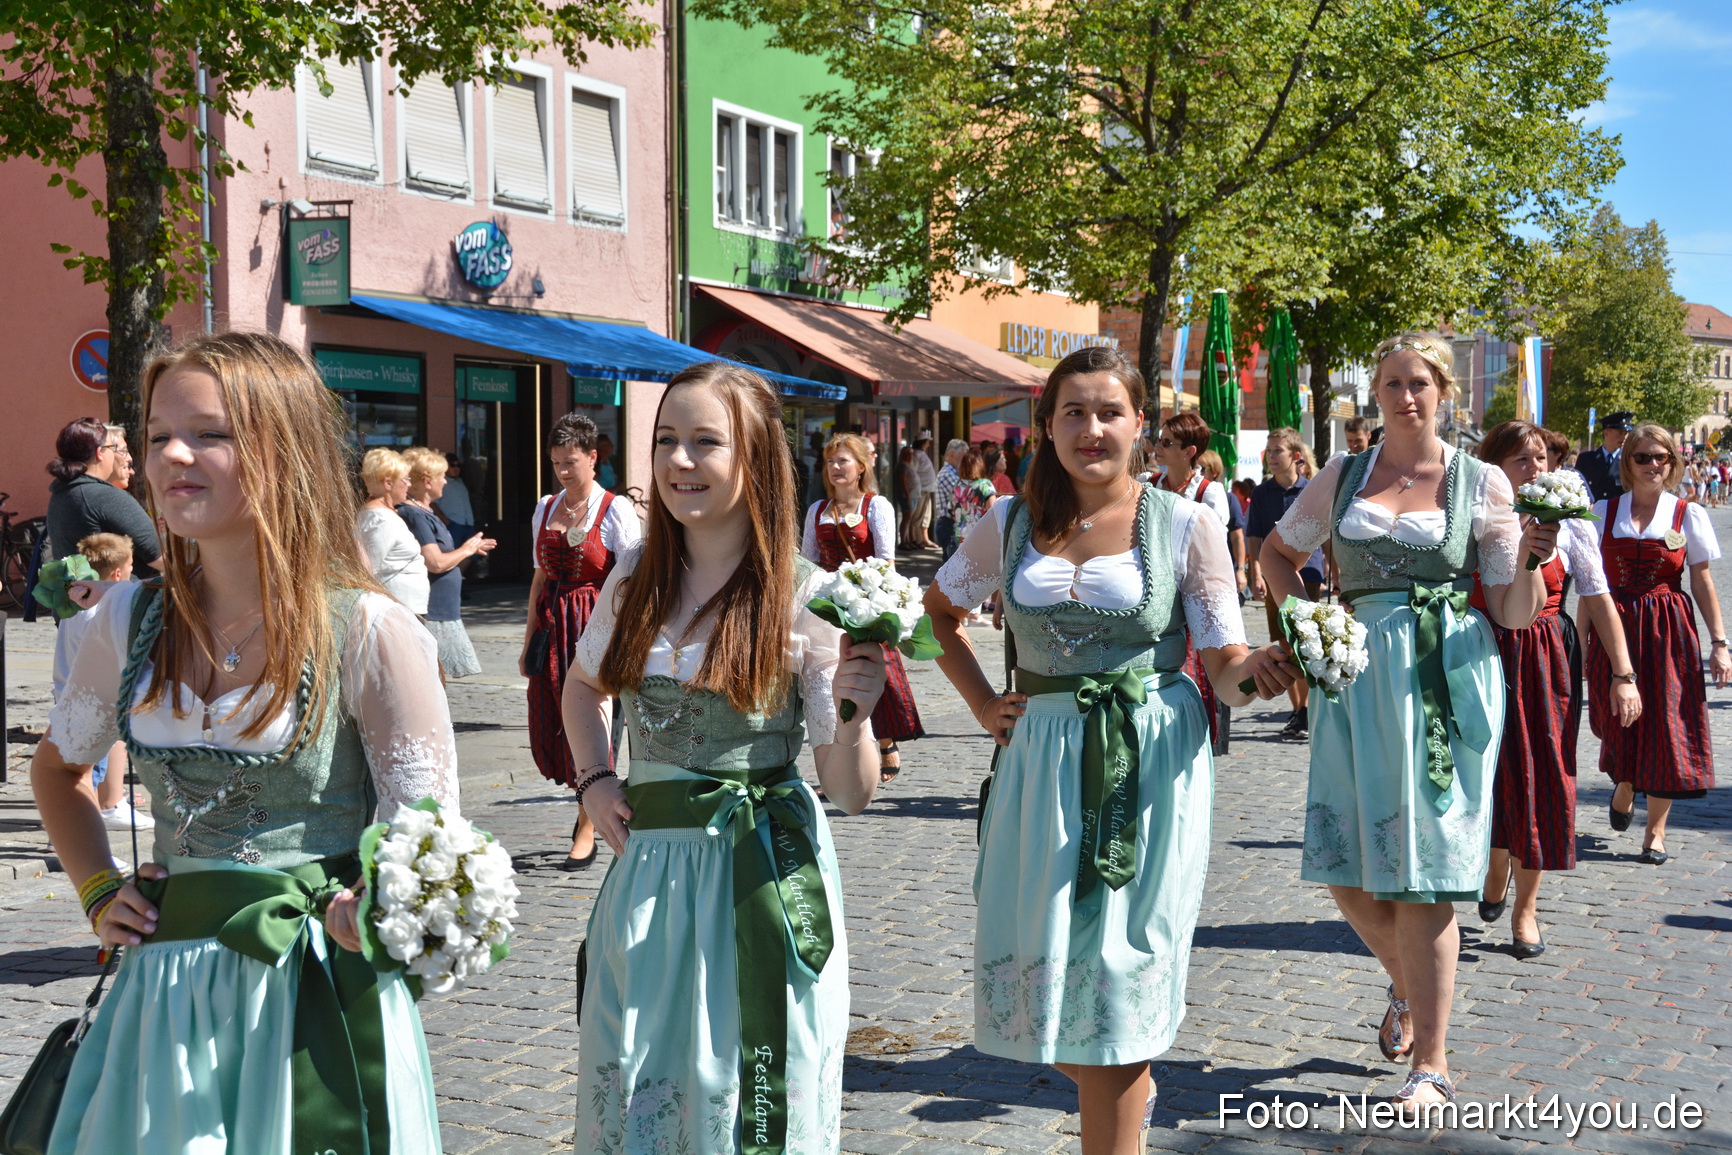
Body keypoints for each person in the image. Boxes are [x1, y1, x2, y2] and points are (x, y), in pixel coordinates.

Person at [31, 331, 455, 1153]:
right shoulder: (125, 619)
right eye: (156, 435)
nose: (172, 455)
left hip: (313, 1008)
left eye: (210, 433)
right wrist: (96, 890)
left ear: (282, 446)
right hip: (161, 1008)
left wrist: (373, 912)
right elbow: (58, 771)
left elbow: (431, 849)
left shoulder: (369, 630)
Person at [926, 346, 1296, 1154]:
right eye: (1073, 412)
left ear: (1140, 426)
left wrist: (1262, 673)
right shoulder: (1010, 520)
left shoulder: (1189, 523)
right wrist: (985, 703)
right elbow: (938, 614)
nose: (1091, 428)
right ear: (1047, 426)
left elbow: (1226, 667)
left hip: (1148, 764)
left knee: (1119, 987)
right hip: (1038, 766)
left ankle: (1122, 1104)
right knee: (1038, 971)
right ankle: (1128, 1092)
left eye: (1109, 412)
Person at [564, 361, 888, 1154]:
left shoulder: (807, 598)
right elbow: (580, 689)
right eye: (666, 440)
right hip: (651, 876)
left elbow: (848, 792)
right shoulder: (634, 578)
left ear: (755, 457)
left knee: (746, 1086)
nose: (679, 461)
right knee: (644, 1076)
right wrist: (596, 778)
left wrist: (854, 717)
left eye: (705, 441)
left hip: (761, 872)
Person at [1259, 332, 1555, 1113]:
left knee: (1425, 874)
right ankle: (1406, 977)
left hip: (1443, 678)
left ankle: (1433, 1059)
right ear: (1377, 394)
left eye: (1419, 382)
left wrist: (1529, 558)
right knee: (1346, 866)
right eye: (1391, 383)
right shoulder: (1343, 473)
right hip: (1354, 677)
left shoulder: (1480, 481)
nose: (1405, 396)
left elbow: (1516, 611)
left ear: (1443, 390)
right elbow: (1276, 554)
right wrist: (1311, 623)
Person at [1472, 422, 1640, 957]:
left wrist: (1623, 674)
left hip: (1545, 657)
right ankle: (1496, 862)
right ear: (1494, 467)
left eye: (1541, 457)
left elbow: (1596, 596)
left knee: (1544, 775)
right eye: (1521, 459)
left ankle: (1526, 909)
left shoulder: (1569, 526)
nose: (1535, 467)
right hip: (1482, 654)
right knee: (1491, 774)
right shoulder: (1475, 520)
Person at [1587, 423, 1728, 865]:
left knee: (1669, 726)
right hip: (1615, 626)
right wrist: (1580, 639)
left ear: (1672, 463)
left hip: (1669, 630)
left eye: (1660, 458)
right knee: (1618, 721)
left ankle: (1656, 832)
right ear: (1627, 463)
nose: (1652, 465)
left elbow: (1702, 581)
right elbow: (1591, 585)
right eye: (1642, 457)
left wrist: (1720, 643)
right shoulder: (1603, 511)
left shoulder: (1689, 514)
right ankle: (1626, 783)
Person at [524, 412, 641, 868]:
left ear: (593, 458)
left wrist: (627, 640)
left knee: (599, 719)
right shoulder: (546, 506)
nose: (563, 471)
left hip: (598, 622)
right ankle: (583, 811)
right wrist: (528, 638)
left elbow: (633, 578)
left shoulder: (615, 509)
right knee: (557, 718)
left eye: (571, 461)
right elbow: (539, 577)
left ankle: (588, 822)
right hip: (554, 625)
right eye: (556, 463)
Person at [802, 432, 924, 781]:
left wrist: (877, 603)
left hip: (864, 607)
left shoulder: (877, 506)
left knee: (868, 680)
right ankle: (835, 766)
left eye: (843, 461)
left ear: (861, 467)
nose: (835, 467)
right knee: (826, 689)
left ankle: (884, 742)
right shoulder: (816, 510)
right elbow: (808, 562)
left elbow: (886, 562)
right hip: (826, 610)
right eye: (830, 462)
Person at [49, 532, 148, 834]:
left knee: (85, 774)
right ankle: (79, 838)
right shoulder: (102, 612)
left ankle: (84, 830)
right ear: (117, 573)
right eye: (131, 567)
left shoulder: (78, 605)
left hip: (68, 695)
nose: (133, 572)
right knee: (86, 777)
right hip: (90, 704)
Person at [1245, 428, 1328, 739]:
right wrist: (1255, 572)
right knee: (1283, 644)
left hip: (1308, 575)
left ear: (1296, 456)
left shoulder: (1313, 490)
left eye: (1277, 451)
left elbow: (1327, 535)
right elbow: (1254, 536)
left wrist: (1336, 570)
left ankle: (1307, 709)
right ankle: (1299, 710)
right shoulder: (1262, 494)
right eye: (1269, 451)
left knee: (1305, 643)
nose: (1271, 457)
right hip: (1273, 575)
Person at [399, 447, 495, 679]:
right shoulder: (413, 514)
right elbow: (435, 563)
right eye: (441, 476)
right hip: (432, 612)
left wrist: (469, 549)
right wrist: (466, 550)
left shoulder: (426, 511)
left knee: (437, 679)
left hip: (442, 611)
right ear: (426, 481)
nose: (445, 481)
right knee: (430, 679)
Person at [46, 417, 162, 574]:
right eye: (113, 448)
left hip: (82, 594)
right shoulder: (102, 496)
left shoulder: (62, 493)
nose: (123, 457)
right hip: (123, 595)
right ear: (100, 453)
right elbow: (159, 557)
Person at [355, 447, 430, 615]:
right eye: (405, 479)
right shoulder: (380, 519)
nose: (409, 485)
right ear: (388, 483)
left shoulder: (386, 513)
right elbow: (369, 567)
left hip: (405, 606)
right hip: (397, 609)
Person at [1575, 410, 1633, 505]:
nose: (1625, 437)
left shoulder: (1629, 460)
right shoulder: (1586, 459)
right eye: (1620, 432)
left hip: (1618, 515)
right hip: (1592, 515)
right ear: (1606, 432)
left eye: (1626, 433)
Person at [932, 438, 969, 560]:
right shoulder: (947, 474)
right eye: (963, 456)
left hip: (952, 524)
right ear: (952, 454)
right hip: (948, 525)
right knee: (951, 571)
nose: (966, 460)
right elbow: (964, 495)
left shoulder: (954, 472)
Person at [910, 432, 939, 548]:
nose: (928, 444)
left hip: (926, 489)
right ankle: (916, 539)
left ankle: (924, 538)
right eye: (927, 441)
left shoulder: (921, 454)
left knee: (926, 515)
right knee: (918, 515)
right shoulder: (916, 455)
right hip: (921, 489)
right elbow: (913, 472)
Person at [897, 445, 920, 547]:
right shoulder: (902, 466)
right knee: (906, 519)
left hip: (914, 494)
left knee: (910, 519)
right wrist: (907, 496)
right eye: (908, 453)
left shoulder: (910, 465)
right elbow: (902, 482)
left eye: (911, 453)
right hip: (907, 496)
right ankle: (903, 541)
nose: (910, 455)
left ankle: (909, 539)